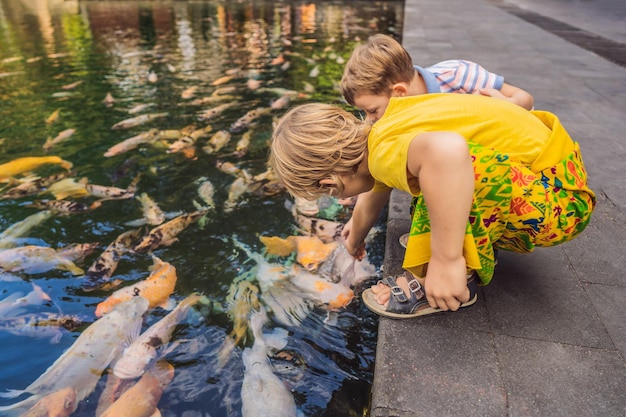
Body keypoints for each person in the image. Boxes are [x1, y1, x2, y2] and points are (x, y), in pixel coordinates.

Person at [268, 93, 595, 318]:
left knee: (441, 177)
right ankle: (465, 244)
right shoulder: (383, 129)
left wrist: (445, 258)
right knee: (431, 183)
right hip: (558, 174)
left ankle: (448, 278)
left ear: (329, 184)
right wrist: (354, 238)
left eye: (329, 194)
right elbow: (378, 185)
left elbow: (448, 152)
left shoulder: (382, 155)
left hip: (560, 208)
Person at [340, 34, 535, 246]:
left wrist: (506, 105)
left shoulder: (456, 75)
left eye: (372, 110)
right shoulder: (395, 120)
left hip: (522, 171)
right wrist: (356, 226)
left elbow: (525, 97)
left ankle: (465, 247)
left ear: (399, 92)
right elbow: (379, 182)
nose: (370, 120)